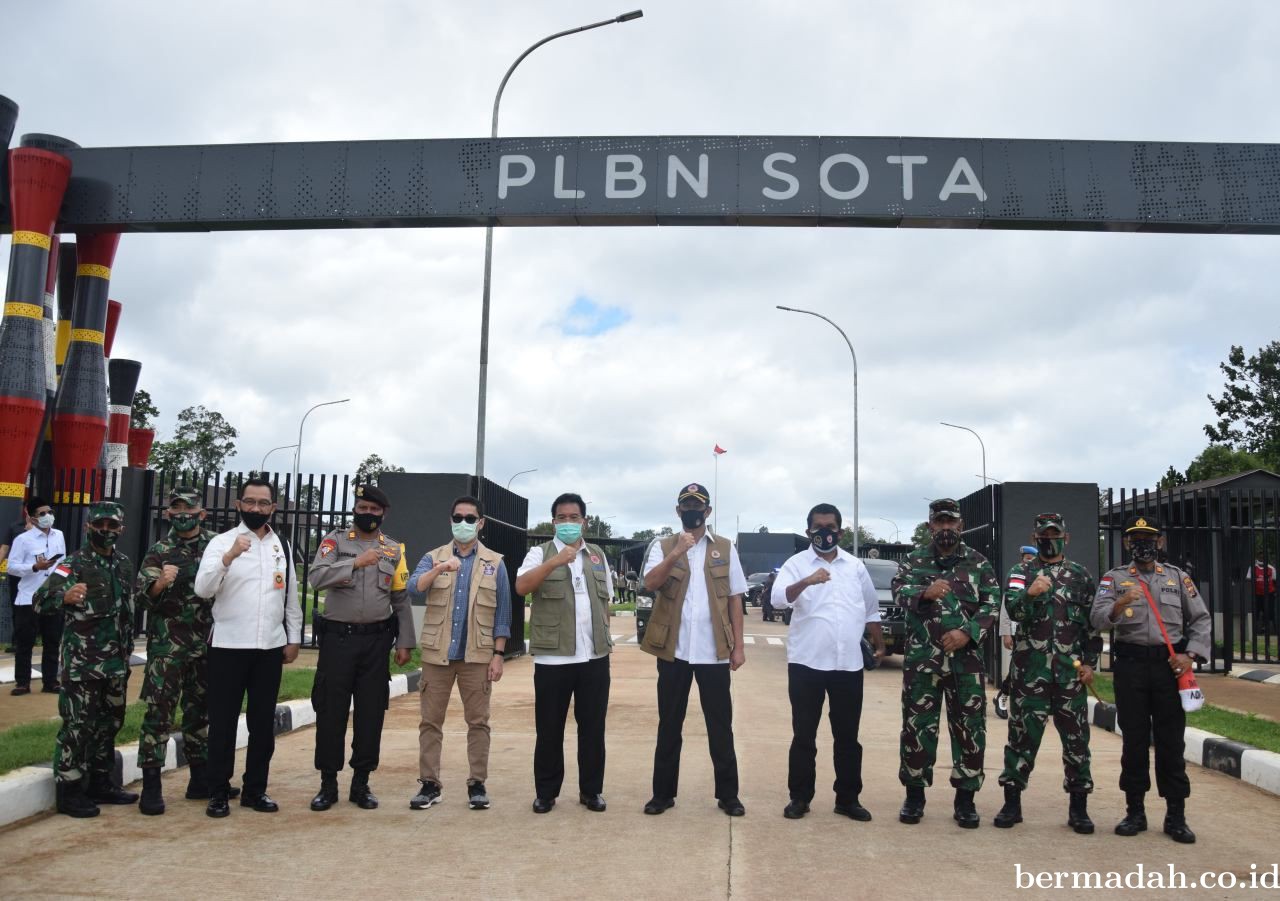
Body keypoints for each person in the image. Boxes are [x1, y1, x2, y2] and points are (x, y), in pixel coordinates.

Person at [1091, 514, 1210, 844]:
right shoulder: (1114, 579)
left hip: (1168, 668)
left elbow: (1200, 619)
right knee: (1134, 740)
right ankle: (1135, 812)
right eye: (1136, 539)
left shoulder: (1177, 578)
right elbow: (1097, 618)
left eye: (1149, 538)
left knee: (1172, 741)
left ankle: (1176, 815)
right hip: (1130, 666)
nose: (1142, 544)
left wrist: (1191, 656)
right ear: (1128, 543)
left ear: (1160, 542)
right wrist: (1118, 605)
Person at [194, 477, 302, 817]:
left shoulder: (280, 545)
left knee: (261, 725)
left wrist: (293, 637)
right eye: (250, 502)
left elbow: (291, 596)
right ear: (239, 504)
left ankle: (256, 790)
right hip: (228, 646)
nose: (256, 508)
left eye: (263, 503)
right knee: (223, 724)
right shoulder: (221, 542)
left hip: (268, 648)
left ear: (273, 507)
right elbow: (203, 589)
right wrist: (229, 557)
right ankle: (218, 791)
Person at [640, 482, 748, 817]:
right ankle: (663, 794)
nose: (692, 511)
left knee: (720, 724)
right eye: (686, 506)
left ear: (708, 512)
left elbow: (734, 598)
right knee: (669, 723)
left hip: (714, 651)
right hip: (674, 650)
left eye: (697, 506)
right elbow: (650, 583)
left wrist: (738, 647)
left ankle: (728, 795)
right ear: (678, 511)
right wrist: (677, 552)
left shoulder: (727, 549)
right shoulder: (663, 545)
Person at [771, 503, 884, 822]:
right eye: (818, 528)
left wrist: (879, 643)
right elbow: (778, 599)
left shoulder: (854, 566)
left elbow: (871, 609)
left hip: (847, 665)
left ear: (840, 531)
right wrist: (807, 581)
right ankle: (799, 797)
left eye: (830, 527)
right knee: (804, 735)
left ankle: (848, 799)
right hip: (807, 664)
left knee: (848, 737)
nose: (824, 533)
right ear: (809, 532)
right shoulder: (796, 564)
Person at [892, 498, 999, 828]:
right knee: (917, 728)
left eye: (951, 523)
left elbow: (992, 603)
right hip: (923, 661)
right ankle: (914, 796)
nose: (946, 529)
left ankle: (965, 799)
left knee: (970, 729)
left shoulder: (978, 563)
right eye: (940, 523)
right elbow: (898, 590)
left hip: (966, 664)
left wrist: (968, 633)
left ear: (961, 526)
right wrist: (924, 592)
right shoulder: (913, 560)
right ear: (930, 526)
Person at [306, 484, 414, 812]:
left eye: (374, 510)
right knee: (331, 711)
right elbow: (316, 576)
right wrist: (355, 563)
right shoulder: (335, 542)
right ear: (355, 509)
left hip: (375, 643)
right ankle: (328, 783)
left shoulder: (393, 550)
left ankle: (361, 783)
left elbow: (400, 597)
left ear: (383, 514)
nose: (367, 514)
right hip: (338, 640)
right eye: (362, 508)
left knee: (370, 714)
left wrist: (406, 641)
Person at [994, 513, 1099, 833]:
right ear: (1035, 537)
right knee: (1021, 740)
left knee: (1077, 741)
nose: (1048, 539)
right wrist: (1032, 592)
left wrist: (1091, 662)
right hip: (1030, 674)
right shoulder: (1020, 572)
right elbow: (1013, 610)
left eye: (1054, 534)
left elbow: (1090, 625)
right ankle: (1012, 802)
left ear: (1065, 538)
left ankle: (1078, 807)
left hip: (1069, 674)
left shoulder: (1080, 576)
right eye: (1043, 535)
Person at [33, 501, 138, 817]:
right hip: (83, 661)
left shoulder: (123, 564)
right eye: (99, 525)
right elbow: (40, 601)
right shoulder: (71, 564)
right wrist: (63, 597)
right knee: (79, 725)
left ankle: (101, 783)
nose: (105, 531)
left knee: (110, 723)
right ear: (88, 527)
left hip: (117, 662)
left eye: (112, 526)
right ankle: (68, 790)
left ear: (121, 529)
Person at [407, 495, 511, 812]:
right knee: (430, 722)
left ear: (480, 523)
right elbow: (414, 588)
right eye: (458, 517)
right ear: (450, 519)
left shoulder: (495, 562)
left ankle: (477, 784)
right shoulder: (433, 557)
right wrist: (439, 569)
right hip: (438, 655)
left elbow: (503, 612)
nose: (463, 523)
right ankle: (429, 784)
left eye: (470, 519)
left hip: (477, 657)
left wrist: (498, 655)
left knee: (478, 722)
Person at [516, 492, 615, 813]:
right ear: (553, 521)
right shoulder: (539, 553)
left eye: (575, 518)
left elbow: (607, 602)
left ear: (584, 521)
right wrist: (555, 562)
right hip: (553, 658)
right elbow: (522, 587)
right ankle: (546, 793)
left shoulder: (597, 554)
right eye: (562, 518)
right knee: (549, 729)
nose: (569, 523)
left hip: (594, 658)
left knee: (593, 729)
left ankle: (591, 791)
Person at [135, 487, 221, 816]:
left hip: (207, 643)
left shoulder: (216, 545)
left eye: (189, 507)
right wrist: (159, 584)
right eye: (176, 508)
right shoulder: (160, 550)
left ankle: (200, 779)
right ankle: (152, 786)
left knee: (200, 712)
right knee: (159, 714)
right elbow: (142, 599)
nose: (182, 513)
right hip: (168, 646)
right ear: (169, 514)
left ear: (202, 513)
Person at [8, 496, 66, 696]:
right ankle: (22, 682)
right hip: (29, 597)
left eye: (50, 512)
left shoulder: (59, 535)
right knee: (25, 642)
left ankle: (50, 681)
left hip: (53, 596)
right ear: (32, 518)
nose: (47, 516)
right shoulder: (23, 540)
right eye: (42, 514)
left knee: (52, 640)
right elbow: (12, 567)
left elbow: (63, 563)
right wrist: (34, 566)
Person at [992, 546, 1037, 720]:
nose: (1029, 561)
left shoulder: (1040, 578)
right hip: (1014, 631)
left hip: (1034, 634)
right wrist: (1005, 633)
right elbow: (1005, 608)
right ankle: (1002, 696)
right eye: (1026, 558)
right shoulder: (1017, 577)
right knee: (1015, 668)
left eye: (1032, 558)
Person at [0, 505, 33, 651]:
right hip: (17, 574)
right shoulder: (15, 527)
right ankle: (16, 642)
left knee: (32, 608)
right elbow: (5, 548)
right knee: (16, 606)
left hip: (34, 575)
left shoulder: (45, 530)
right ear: (26, 509)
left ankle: (29, 640)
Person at [1247, 557, 1277, 634]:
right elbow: (1248, 578)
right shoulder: (1252, 567)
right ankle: (1254, 630)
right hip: (1257, 594)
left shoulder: (1271, 568)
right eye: (1259, 556)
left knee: (1268, 612)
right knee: (1256, 612)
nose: (1261, 558)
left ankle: (1266, 629)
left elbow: (1274, 580)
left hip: (1269, 594)